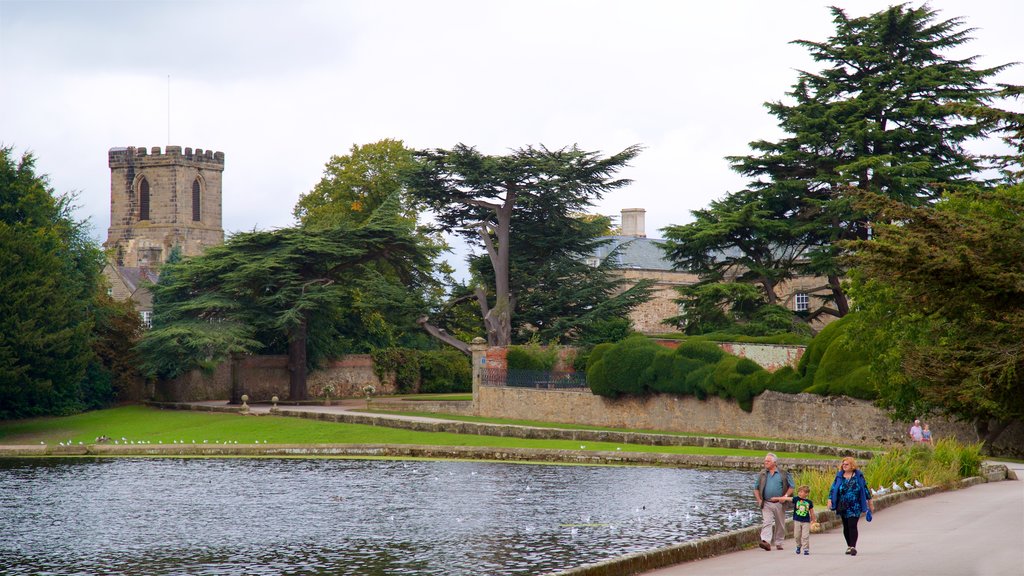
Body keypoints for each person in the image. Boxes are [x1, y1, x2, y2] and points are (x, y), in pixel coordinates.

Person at [827, 456, 874, 556]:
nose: (844, 466)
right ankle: (849, 545)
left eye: (846, 464)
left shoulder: (858, 476)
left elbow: (865, 489)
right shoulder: (839, 476)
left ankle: (853, 546)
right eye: (843, 464)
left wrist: (870, 503)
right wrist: (830, 500)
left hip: (855, 505)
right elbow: (833, 488)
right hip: (843, 505)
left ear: (852, 465)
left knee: (852, 525)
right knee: (846, 527)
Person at [753, 452, 794, 551]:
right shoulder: (762, 474)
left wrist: (784, 497)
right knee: (767, 522)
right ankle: (766, 541)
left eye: (768, 461)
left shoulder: (783, 473)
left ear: (774, 463)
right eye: (765, 461)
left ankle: (779, 542)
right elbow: (756, 488)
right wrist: (759, 500)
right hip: (766, 502)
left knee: (780, 523)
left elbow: (791, 486)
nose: (765, 462)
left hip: (779, 503)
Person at [771, 484, 817, 555]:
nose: (800, 493)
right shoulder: (796, 499)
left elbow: (812, 512)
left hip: (806, 521)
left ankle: (806, 549)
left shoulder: (809, 502)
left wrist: (814, 520)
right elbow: (786, 498)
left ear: (806, 493)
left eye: (802, 492)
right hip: (797, 520)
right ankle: (798, 546)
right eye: (799, 492)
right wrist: (776, 498)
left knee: (805, 536)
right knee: (797, 535)